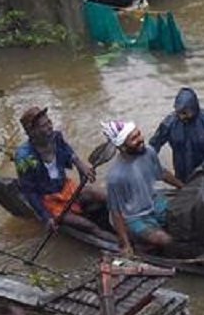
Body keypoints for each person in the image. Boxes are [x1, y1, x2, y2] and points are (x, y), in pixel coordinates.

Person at [14, 106, 111, 240]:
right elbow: (30, 192)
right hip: (49, 201)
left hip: (65, 188)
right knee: (89, 227)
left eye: (49, 123)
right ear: (31, 132)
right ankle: (123, 246)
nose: (49, 127)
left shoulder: (56, 137)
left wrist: (80, 165)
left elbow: (67, 150)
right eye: (43, 126)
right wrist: (46, 217)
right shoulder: (24, 158)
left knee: (102, 195)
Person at [103, 119, 183, 256]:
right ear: (122, 147)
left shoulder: (148, 152)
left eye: (139, 134)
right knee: (165, 240)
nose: (141, 139)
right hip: (133, 217)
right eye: (134, 138)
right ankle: (141, 243)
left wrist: (183, 187)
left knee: (184, 218)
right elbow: (116, 213)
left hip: (153, 202)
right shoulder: (115, 177)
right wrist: (125, 244)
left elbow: (162, 173)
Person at [149, 87, 204, 182]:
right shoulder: (169, 123)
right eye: (178, 112)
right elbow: (154, 145)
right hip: (181, 177)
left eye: (185, 113)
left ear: (194, 108)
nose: (181, 116)